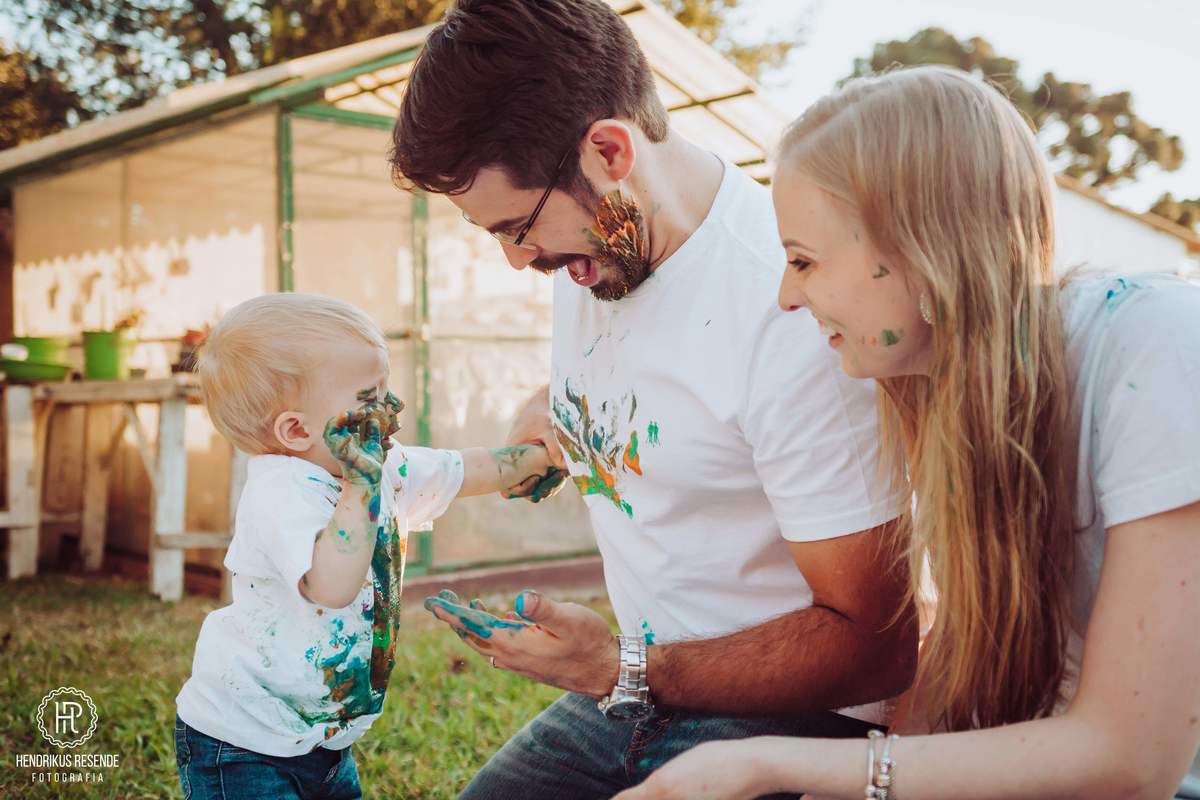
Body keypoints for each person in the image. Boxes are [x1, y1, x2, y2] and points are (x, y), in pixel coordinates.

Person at [615, 65, 1200, 800]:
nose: (787, 296)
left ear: (922, 248)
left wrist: (759, 764)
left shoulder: (1159, 344)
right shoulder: (953, 401)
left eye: (803, 260)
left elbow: (1131, 762)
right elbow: (957, 649)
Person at [389, 1, 917, 797]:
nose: (515, 259)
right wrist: (554, 410)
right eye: (492, 233)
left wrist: (618, 665)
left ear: (609, 150)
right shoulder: (604, 246)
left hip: (800, 721)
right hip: (636, 696)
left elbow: (878, 647)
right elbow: (657, 376)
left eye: (519, 227)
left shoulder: (789, 314)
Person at [174, 293, 554, 800]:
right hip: (243, 741)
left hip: (324, 741)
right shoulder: (282, 494)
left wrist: (539, 456)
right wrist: (360, 488)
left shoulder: (375, 470)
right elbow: (330, 585)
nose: (391, 408)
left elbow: (457, 469)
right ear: (296, 430)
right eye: (369, 396)